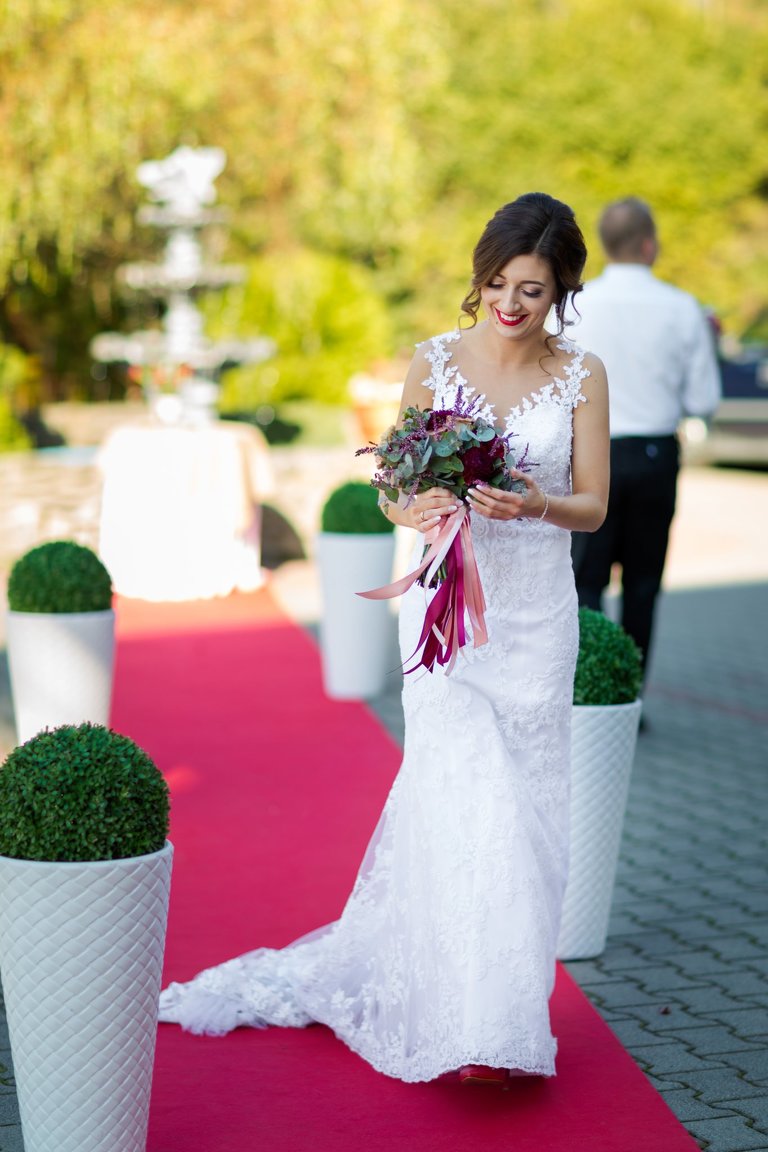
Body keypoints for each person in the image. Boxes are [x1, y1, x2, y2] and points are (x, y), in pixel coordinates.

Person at [158, 193, 610, 1085]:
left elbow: (594, 504)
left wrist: (534, 504)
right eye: (496, 284)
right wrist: (420, 504)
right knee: (462, 802)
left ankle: (505, 1012)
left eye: (533, 290)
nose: (511, 305)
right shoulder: (433, 362)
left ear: (561, 291)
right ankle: (467, 1025)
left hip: (536, 621)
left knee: (527, 819)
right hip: (448, 620)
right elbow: (392, 488)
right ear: (477, 277)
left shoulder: (583, 373)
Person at [566, 197, 721, 678]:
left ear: (605, 245)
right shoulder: (682, 307)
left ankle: (589, 689)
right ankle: (628, 696)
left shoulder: (576, 304)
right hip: (655, 456)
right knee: (643, 584)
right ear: (649, 244)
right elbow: (703, 400)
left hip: (592, 454)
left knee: (585, 578)